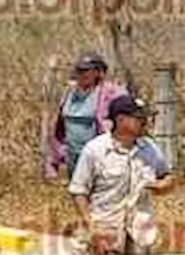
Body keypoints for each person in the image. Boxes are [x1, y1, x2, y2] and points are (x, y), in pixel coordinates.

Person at [68, 94, 175, 255]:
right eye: (139, 119)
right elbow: (78, 191)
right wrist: (91, 227)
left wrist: (164, 186)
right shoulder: (95, 150)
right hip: (105, 232)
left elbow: (167, 176)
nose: (145, 123)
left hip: (140, 233)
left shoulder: (150, 149)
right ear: (120, 120)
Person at [44, 52, 126, 181]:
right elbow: (59, 131)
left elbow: (126, 120)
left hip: (100, 158)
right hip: (73, 157)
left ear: (98, 72)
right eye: (79, 70)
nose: (81, 74)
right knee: (78, 195)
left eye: (86, 70)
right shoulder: (69, 93)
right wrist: (53, 163)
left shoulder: (111, 93)